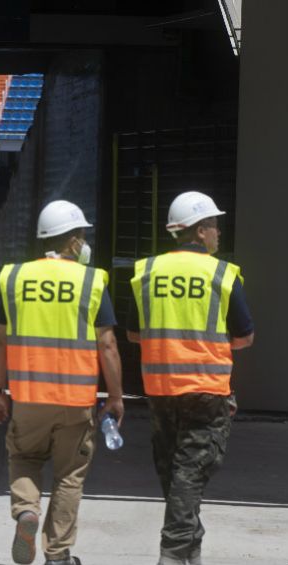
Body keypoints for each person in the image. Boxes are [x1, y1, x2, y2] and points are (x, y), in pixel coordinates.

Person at [0, 200, 124, 565]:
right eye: (82, 236)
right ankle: (59, 555)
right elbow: (107, 343)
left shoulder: (14, 278)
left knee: (24, 456)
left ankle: (26, 512)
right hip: (75, 401)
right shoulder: (91, 281)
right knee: (69, 475)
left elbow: (0, 340)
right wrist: (115, 397)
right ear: (74, 242)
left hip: (29, 398)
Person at [127, 191, 254, 565]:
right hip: (205, 390)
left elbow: (135, 333)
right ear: (199, 232)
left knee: (174, 471)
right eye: (214, 225)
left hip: (161, 389)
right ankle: (172, 554)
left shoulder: (147, 271)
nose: (218, 233)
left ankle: (190, 553)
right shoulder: (222, 274)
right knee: (189, 473)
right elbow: (245, 337)